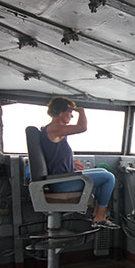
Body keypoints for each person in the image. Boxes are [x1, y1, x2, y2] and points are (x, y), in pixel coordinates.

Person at [40, 96, 120, 229]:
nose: (72, 116)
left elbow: (52, 155)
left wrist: (71, 162)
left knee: (103, 171)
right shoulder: (54, 128)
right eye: (70, 112)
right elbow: (82, 127)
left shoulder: (52, 129)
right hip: (61, 183)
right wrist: (81, 111)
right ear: (61, 112)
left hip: (61, 178)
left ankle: (96, 214)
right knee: (109, 177)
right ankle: (100, 217)